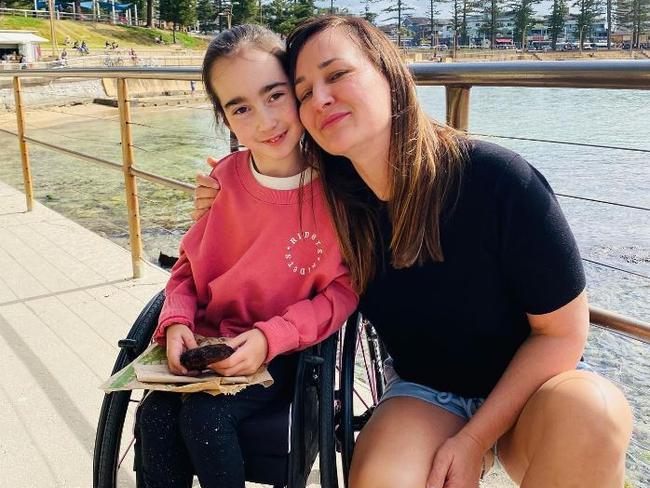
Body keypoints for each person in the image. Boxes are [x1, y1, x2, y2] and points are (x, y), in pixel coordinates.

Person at [193, 15, 633, 488]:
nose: (319, 98)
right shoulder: (333, 205)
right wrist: (225, 203)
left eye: (337, 75)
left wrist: (473, 441)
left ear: (388, 72)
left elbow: (563, 335)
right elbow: (266, 243)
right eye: (302, 92)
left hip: (533, 391)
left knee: (594, 412)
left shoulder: (496, 180)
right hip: (427, 392)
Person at [137, 24, 358, 488]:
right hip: (207, 340)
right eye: (241, 108)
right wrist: (174, 322)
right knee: (154, 417)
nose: (265, 120)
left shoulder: (339, 192)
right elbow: (187, 272)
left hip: (286, 351)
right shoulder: (221, 184)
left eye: (275, 95)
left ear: (298, 92)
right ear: (225, 119)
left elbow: (342, 292)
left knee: (204, 418)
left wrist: (269, 337)